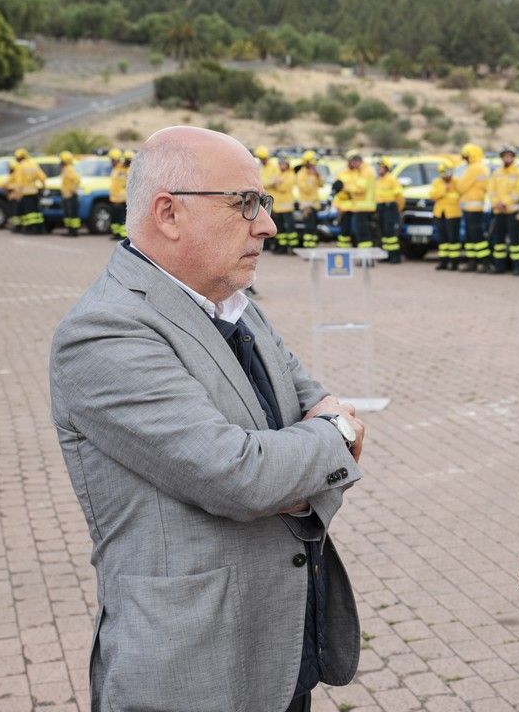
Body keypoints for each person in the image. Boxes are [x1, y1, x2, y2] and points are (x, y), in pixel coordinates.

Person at [49, 126, 364, 712]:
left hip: (281, 653)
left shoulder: (236, 306)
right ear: (168, 213)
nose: (266, 224)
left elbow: (310, 407)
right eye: (245, 202)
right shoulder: (104, 331)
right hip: (195, 672)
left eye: (264, 203)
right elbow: (240, 476)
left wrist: (299, 466)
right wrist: (329, 445)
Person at [487, 145, 519, 274]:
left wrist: (505, 203)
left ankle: (517, 267)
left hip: (512, 211)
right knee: (499, 241)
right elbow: (491, 190)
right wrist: (496, 203)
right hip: (499, 211)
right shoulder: (497, 173)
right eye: (505, 156)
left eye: (509, 155)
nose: (507, 158)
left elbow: (517, 192)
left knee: (515, 240)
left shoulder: (518, 172)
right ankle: (500, 266)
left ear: (513, 157)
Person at [455, 143, 490, 271]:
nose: (465, 160)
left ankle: (484, 263)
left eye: (466, 157)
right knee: (471, 237)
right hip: (472, 208)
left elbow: (461, 187)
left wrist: (457, 184)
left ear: (472, 156)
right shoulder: (481, 167)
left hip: (473, 209)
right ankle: (473, 262)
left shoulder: (474, 168)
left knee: (476, 236)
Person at [337, 151, 376, 250]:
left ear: (357, 160)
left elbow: (360, 188)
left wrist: (344, 187)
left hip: (364, 206)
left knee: (363, 233)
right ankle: (364, 257)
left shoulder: (365, 171)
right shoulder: (360, 171)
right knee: (360, 233)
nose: (351, 165)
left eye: (352, 162)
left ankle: (365, 257)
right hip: (359, 207)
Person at [431, 158, 462, 270]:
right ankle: (443, 262)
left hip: (453, 215)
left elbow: (460, 195)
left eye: (448, 172)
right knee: (442, 240)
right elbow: (433, 195)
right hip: (440, 214)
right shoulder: (437, 182)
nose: (446, 175)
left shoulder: (457, 182)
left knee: (453, 239)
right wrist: (445, 189)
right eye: (443, 172)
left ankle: (454, 263)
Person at [374, 156, 404, 263]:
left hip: (390, 208)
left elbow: (399, 196)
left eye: (381, 167)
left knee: (391, 233)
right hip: (381, 208)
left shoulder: (391, 179)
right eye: (378, 167)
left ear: (387, 168)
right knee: (384, 233)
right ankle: (386, 255)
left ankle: (395, 256)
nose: (378, 169)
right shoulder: (379, 180)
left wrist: (398, 209)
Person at [268, 156, 298, 253]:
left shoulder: (291, 174)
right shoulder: (277, 173)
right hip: (278, 207)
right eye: (280, 164)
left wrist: (275, 185)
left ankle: (293, 247)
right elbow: (268, 183)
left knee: (290, 228)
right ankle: (282, 247)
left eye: (283, 164)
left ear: (287, 164)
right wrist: (275, 183)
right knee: (280, 229)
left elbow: (285, 188)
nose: (281, 166)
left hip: (287, 207)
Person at [295, 150, 323, 249]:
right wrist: (311, 176)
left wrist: (318, 175)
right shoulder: (301, 174)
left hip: (315, 205)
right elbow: (306, 189)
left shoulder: (314, 173)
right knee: (309, 227)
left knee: (314, 227)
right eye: (311, 163)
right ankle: (308, 247)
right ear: (306, 162)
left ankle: (313, 246)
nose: (313, 165)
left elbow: (321, 185)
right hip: (307, 206)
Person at [109, 149, 131, 240]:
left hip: (122, 198)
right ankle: (116, 233)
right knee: (116, 218)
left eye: (113, 160)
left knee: (122, 217)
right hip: (115, 198)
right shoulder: (116, 169)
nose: (112, 162)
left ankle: (123, 235)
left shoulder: (124, 169)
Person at [60, 151, 82, 237]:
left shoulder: (69, 169)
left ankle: (74, 231)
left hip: (71, 196)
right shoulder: (66, 169)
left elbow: (77, 180)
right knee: (68, 215)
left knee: (72, 215)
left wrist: (72, 190)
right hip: (67, 196)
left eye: (61, 160)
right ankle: (70, 230)